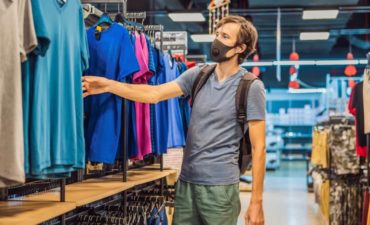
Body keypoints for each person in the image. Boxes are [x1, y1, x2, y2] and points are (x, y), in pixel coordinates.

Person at [83, 15, 266, 225]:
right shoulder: (198, 74)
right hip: (187, 182)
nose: (217, 40)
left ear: (240, 48)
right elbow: (155, 93)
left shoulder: (251, 87)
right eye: (217, 34)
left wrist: (256, 202)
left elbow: (258, 148)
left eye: (225, 36)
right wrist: (108, 85)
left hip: (220, 188)